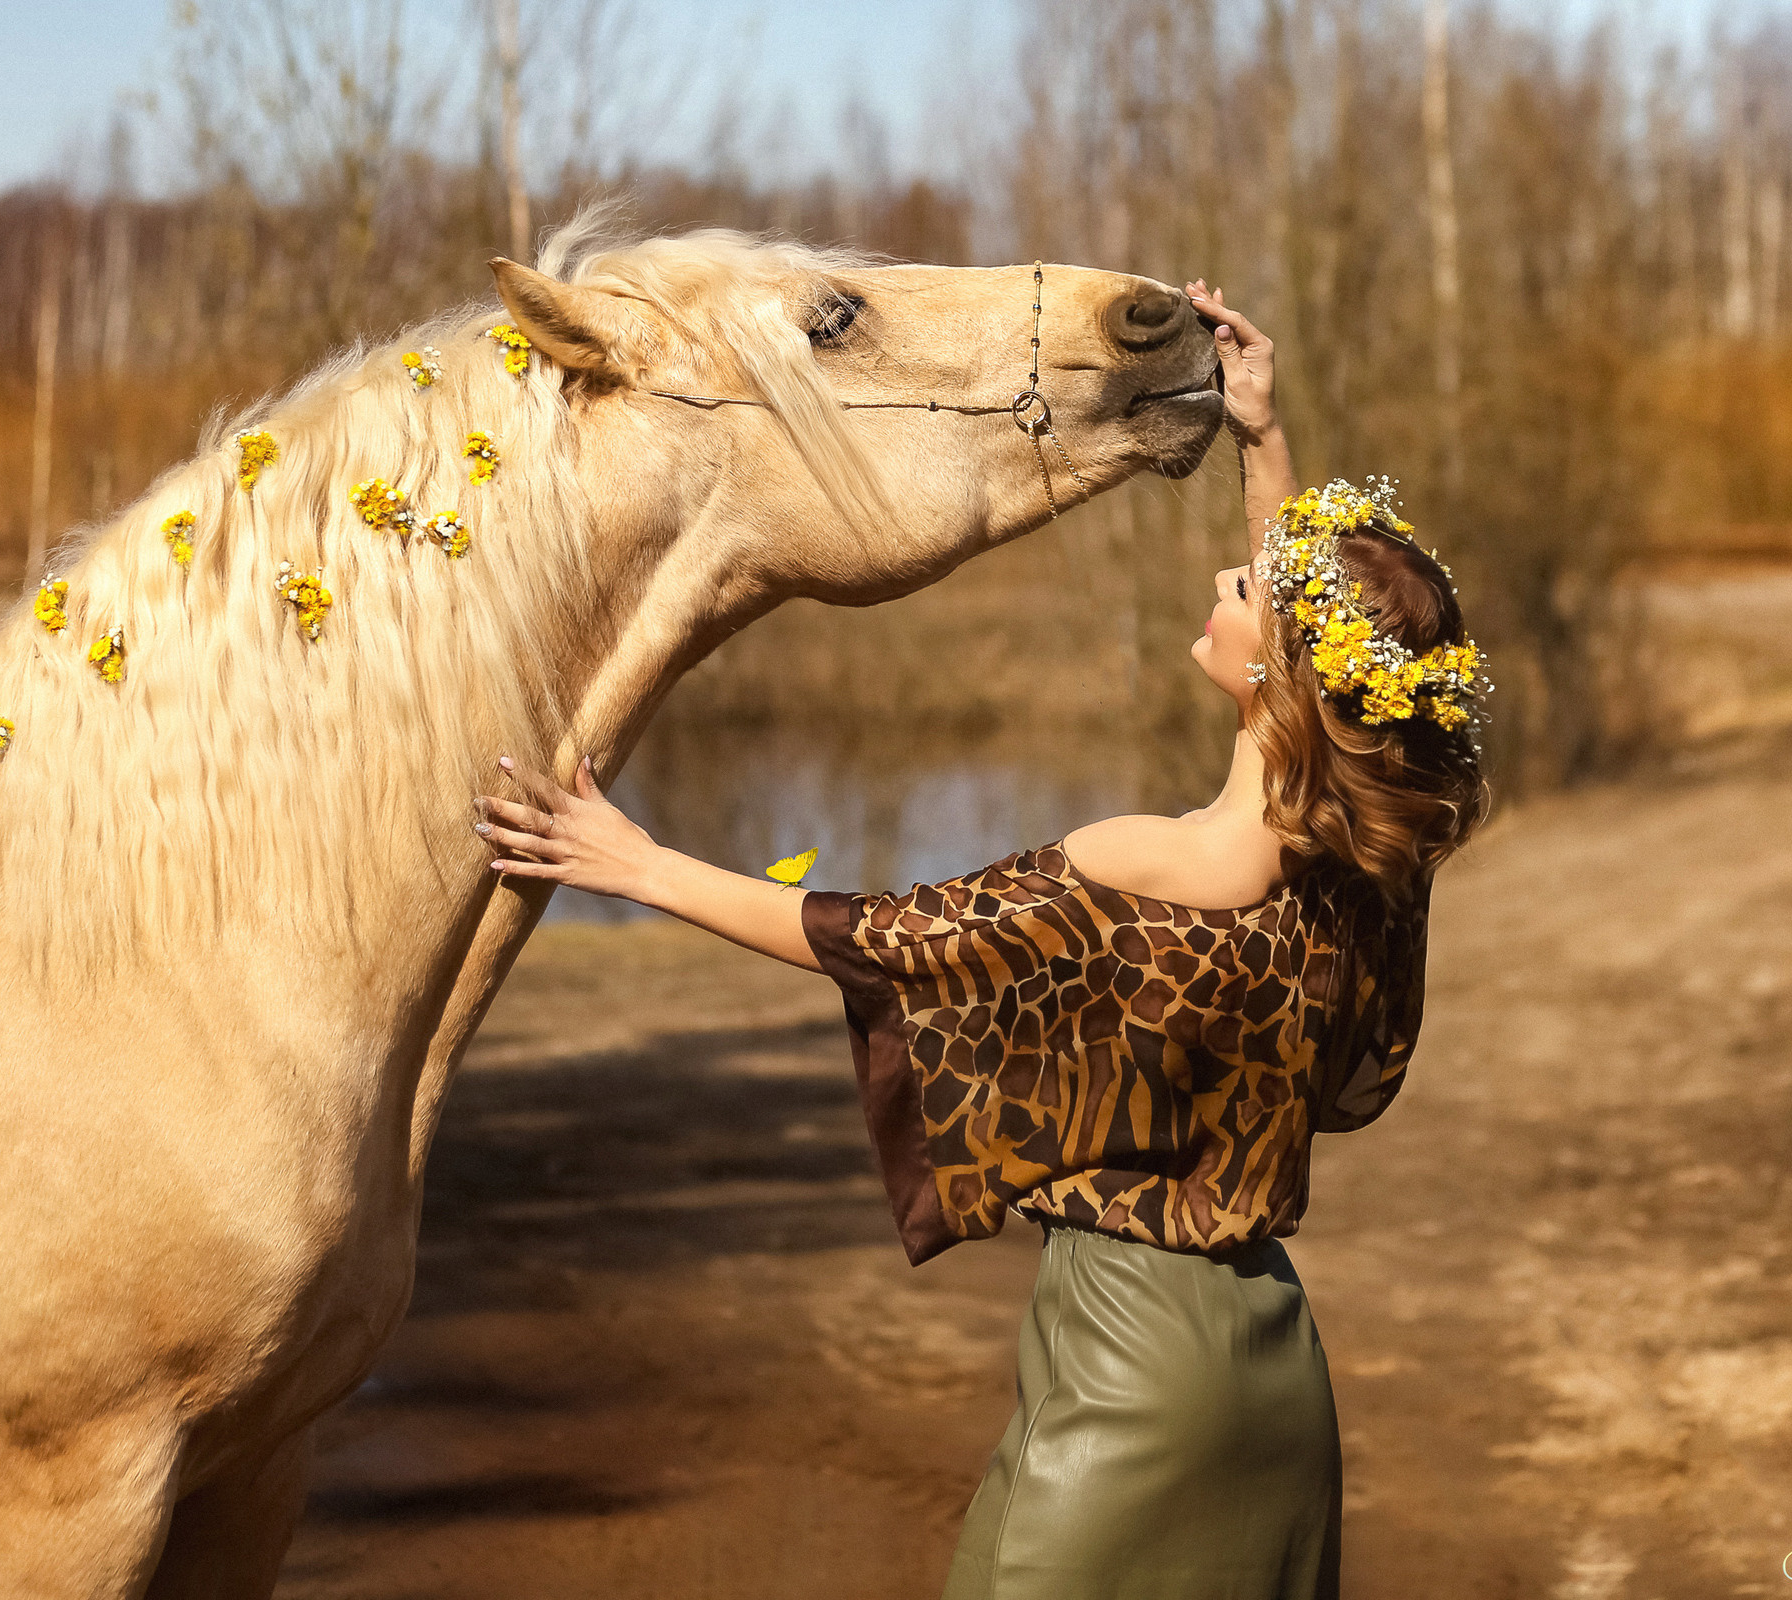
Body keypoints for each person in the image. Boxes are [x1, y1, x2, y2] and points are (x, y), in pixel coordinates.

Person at [470, 284, 1491, 1600]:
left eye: (1244, 592)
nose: (1223, 581)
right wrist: (1261, 437)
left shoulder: (1146, 862)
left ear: (1277, 677)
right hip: (1276, 1376)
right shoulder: (1367, 869)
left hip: (1133, 1369)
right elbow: (1312, 652)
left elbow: (884, 941)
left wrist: (637, 863)